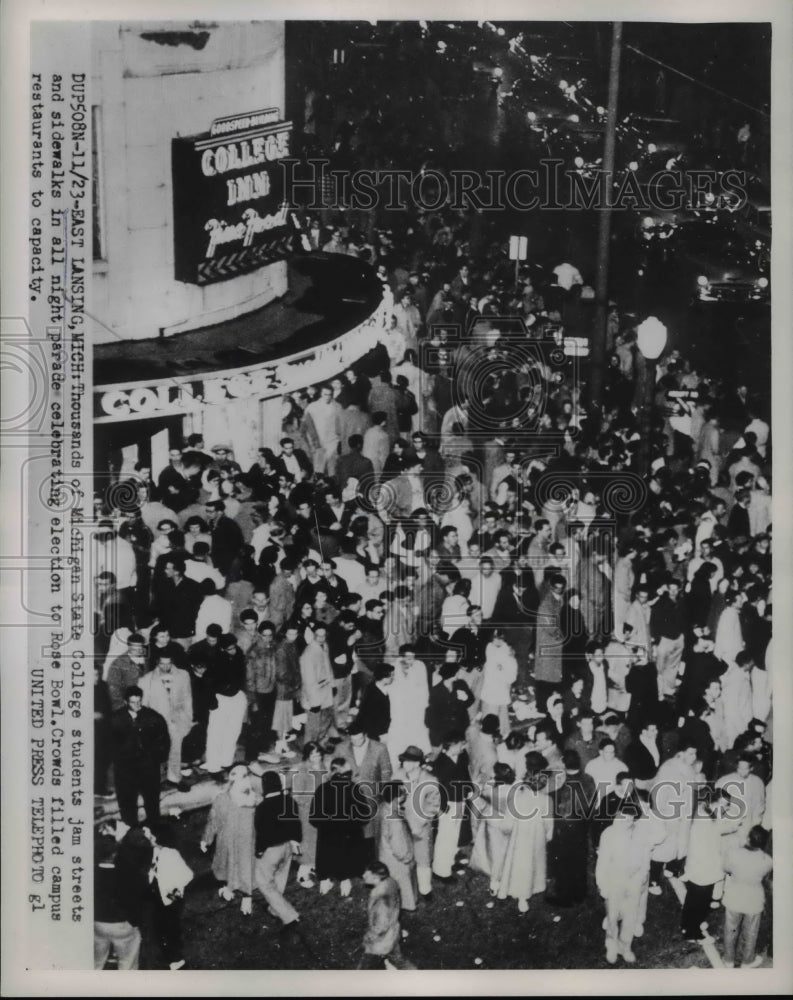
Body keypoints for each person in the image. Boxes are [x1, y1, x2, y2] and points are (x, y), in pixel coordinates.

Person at [492, 752, 554, 913]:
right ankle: (528, 892)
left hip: (519, 838)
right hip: (537, 837)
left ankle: (518, 895)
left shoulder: (517, 798)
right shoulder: (546, 800)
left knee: (519, 865)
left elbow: (508, 822)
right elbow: (549, 823)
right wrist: (548, 834)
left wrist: (504, 829)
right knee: (534, 863)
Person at [595, 800, 652, 964]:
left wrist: (641, 876)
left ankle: (625, 946)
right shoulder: (608, 834)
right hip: (614, 881)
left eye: (631, 818)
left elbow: (645, 859)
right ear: (617, 814)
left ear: (635, 819)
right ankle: (611, 945)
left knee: (630, 916)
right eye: (623, 816)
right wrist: (602, 885)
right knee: (612, 916)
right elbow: (602, 863)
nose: (626, 820)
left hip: (633, 882)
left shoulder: (642, 835)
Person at [310, 756, 371, 897]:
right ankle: (345, 883)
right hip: (349, 835)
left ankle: (324, 883)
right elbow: (364, 815)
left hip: (326, 836)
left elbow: (314, 818)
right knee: (347, 860)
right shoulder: (354, 789)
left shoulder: (322, 789)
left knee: (326, 859)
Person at [200, 764, 257, 915]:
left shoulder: (254, 799)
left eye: (245, 775)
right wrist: (206, 839)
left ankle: (247, 895)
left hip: (246, 842)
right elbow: (214, 820)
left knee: (245, 867)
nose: (243, 779)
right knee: (229, 865)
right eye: (237, 775)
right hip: (227, 841)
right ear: (230, 777)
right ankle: (230, 886)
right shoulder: (222, 799)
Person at [111, 686, 170, 827]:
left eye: (139, 701)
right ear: (126, 702)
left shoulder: (154, 717)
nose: (137, 705)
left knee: (152, 800)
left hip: (148, 767)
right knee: (127, 802)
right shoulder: (116, 719)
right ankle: (130, 829)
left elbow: (164, 741)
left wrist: (156, 759)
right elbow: (109, 744)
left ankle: (154, 827)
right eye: (133, 702)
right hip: (126, 769)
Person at [254, 770, 302, 930]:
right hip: (287, 846)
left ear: (264, 787)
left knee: (264, 882)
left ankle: (289, 915)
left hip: (270, 850)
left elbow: (261, 832)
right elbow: (296, 823)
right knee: (280, 876)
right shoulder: (289, 801)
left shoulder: (262, 808)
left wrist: (259, 850)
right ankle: (275, 908)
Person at [548, 750, 596, 906]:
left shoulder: (560, 781)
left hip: (564, 827)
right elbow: (592, 802)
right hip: (582, 826)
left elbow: (558, 805)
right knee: (580, 859)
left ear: (564, 764)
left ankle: (564, 896)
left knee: (564, 862)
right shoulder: (589, 779)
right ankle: (580, 892)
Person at [140, 654, 193, 790]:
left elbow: (187, 697)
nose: (165, 666)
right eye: (162, 663)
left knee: (176, 750)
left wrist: (188, 717)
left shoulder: (183, 675)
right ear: (157, 662)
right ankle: (153, 780)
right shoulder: (146, 680)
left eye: (168, 663)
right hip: (157, 722)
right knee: (154, 752)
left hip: (177, 720)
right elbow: (144, 705)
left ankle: (174, 778)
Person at [722, 825, 773, 968]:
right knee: (751, 932)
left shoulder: (733, 853)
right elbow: (764, 876)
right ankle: (747, 960)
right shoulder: (768, 860)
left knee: (730, 928)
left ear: (748, 838)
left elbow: (726, 868)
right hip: (754, 899)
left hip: (734, 896)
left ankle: (728, 960)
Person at [395, 745, 441, 899]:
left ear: (417, 763)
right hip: (401, 826)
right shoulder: (398, 776)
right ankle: (405, 889)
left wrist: (418, 824)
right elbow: (392, 799)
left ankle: (425, 889)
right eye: (403, 761)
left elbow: (433, 806)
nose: (404, 764)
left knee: (423, 858)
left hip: (421, 828)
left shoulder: (430, 780)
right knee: (403, 857)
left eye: (407, 761)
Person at [147, 821, 194, 971]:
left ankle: (176, 959)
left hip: (171, 899)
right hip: (158, 896)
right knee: (162, 926)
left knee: (169, 927)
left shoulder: (171, 854)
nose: (148, 838)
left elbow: (188, 875)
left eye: (150, 835)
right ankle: (171, 951)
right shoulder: (154, 853)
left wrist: (176, 889)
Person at [94, 833, 142, 970]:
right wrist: (135, 922)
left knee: (96, 961)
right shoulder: (125, 874)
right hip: (121, 925)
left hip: (97, 924)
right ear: (114, 854)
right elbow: (134, 902)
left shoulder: (89, 873)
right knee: (128, 962)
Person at [358, 861, 416, 969]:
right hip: (393, 933)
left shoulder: (382, 901)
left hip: (380, 943)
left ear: (376, 878)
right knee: (398, 959)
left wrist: (369, 938)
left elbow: (380, 926)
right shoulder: (391, 884)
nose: (363, 876)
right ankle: (413, 974)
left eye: (367, 874)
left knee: (364, 968)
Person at [376, 781, 418, 913]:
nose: (405, 794)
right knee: (403, 886)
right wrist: (407, 858)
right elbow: (398, 845)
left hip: (383, 855)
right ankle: (407, 906)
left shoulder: (382, 807)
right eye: (403, 793)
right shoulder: (395, 821)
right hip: (397, 861)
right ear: (396, 798)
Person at [300, 625, 336, 743]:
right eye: (318, 636)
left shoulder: (325, 646)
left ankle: (319, 744)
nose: (321, 638)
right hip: (314, 694)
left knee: (325, 720)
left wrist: (333, 685)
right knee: (313, 726)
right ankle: (309, 749)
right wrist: (314, 702)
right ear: (313, 635)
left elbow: (328, 667)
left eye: (323, 635)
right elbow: (308, 680)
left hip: (325, 691)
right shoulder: (308, 653)